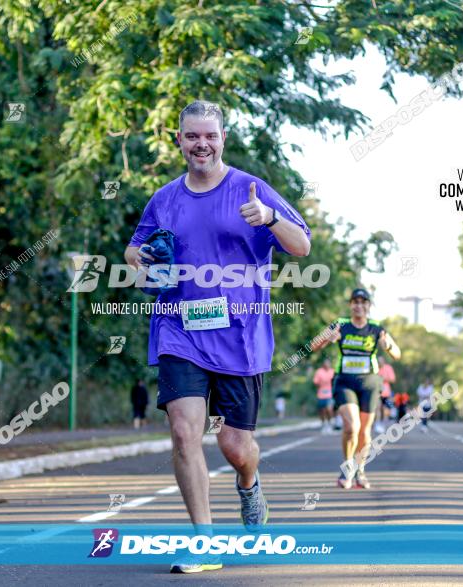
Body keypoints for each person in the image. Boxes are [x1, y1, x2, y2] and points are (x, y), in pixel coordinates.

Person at [124, 100, 311, 574]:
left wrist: (269, 218)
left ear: (222, 138)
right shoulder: (164, 197)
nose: (200, 144)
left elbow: (302, 246)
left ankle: (250, 485)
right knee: (185, 434)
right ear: (179, 141)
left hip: (239, 336)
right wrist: (145, 263)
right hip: (178, 329)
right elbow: (134, 248)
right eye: (192, 136)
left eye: (209, 135)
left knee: (234, 447)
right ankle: (204, 541)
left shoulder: (251, 188)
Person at [311, 287, 401, 490]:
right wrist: (327, 339)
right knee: (352, 426)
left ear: (369, 306)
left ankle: (360, 470)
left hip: (370, 383)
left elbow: (397, 354)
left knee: (365, 431)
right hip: (345, 382)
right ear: (350, 305)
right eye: (355, 302)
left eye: (363, 302)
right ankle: (347, 466)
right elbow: (313, 345)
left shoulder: (377, 328)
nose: (359, 306)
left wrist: (386, 346)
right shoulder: (340, 325)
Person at [313, 359, 335, 434]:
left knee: (329, 409)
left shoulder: (332, 371)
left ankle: (330, 424)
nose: (327, 365)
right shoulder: (319, 372)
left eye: (328, 363)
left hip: (330, 394)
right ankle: (324, 424)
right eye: (325, 363)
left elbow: (335, 381)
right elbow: (315, 382)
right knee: (322, 411)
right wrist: (320, 383)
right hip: (321, 394)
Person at [376, 355, 396, 432]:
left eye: (381, 362)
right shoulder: (375, 368)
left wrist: (383, 378)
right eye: (378, 362)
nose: (379, 363)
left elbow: (393, 379)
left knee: (385, 409)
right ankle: (377, 424)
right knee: (377, 408)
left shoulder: (388, 368)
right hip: (377, 392)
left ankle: (383, 424)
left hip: (386, 392)